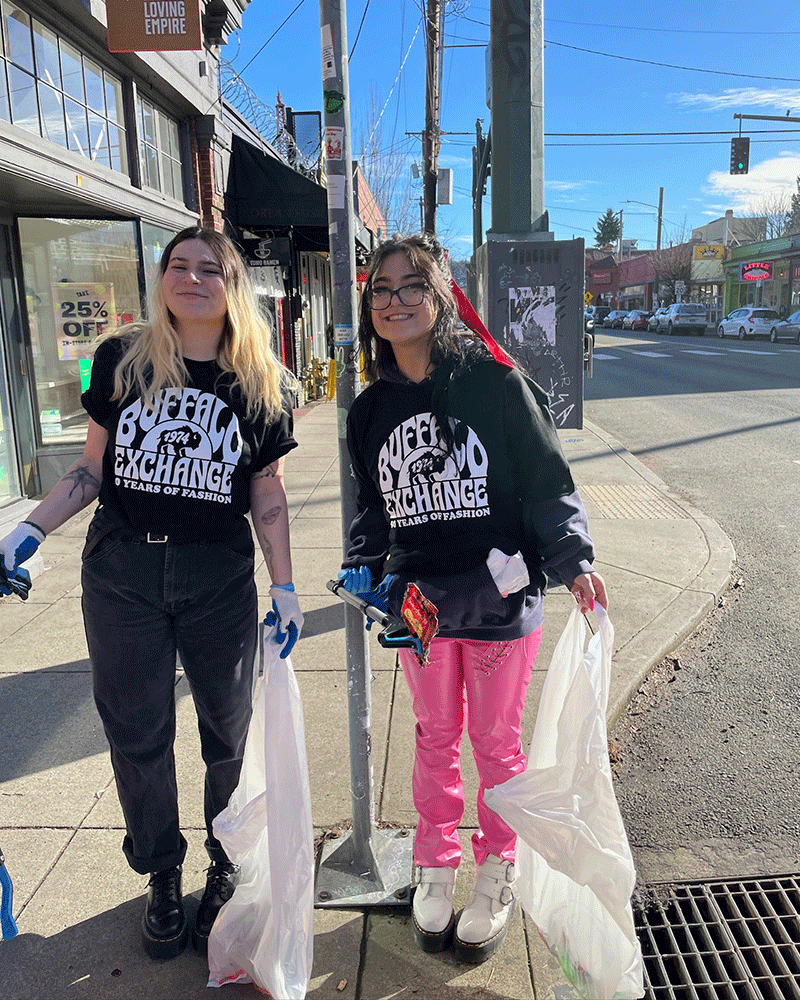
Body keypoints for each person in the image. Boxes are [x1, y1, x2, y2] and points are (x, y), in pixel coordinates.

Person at [0, 226, 303, 960]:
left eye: (210, 269)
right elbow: (91, 471)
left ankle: (224, 865)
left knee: (228, 735)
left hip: (218, 577)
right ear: (162, 278)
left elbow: (266, 494)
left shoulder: (262, 383)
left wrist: (286, 586)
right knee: (138, 735)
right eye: (179, 265)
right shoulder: (123, 361)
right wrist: (28, 530)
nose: (192, 278)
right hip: (122, 573)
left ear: (233, 287)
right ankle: (162, 874)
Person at [337, 233, 607, 964]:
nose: (396, 301)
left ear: (442, 292)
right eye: (382, 290)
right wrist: (361, 570)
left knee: (495, 743)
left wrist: (574, 561)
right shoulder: (368, 412)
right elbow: (372, 512)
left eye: (412, 285)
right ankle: (434, 858)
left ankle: (497, 866)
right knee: (431, 738)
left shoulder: (495, 382)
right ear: (370, 306)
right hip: (421, 610)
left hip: (499, 602)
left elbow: (550, 483)